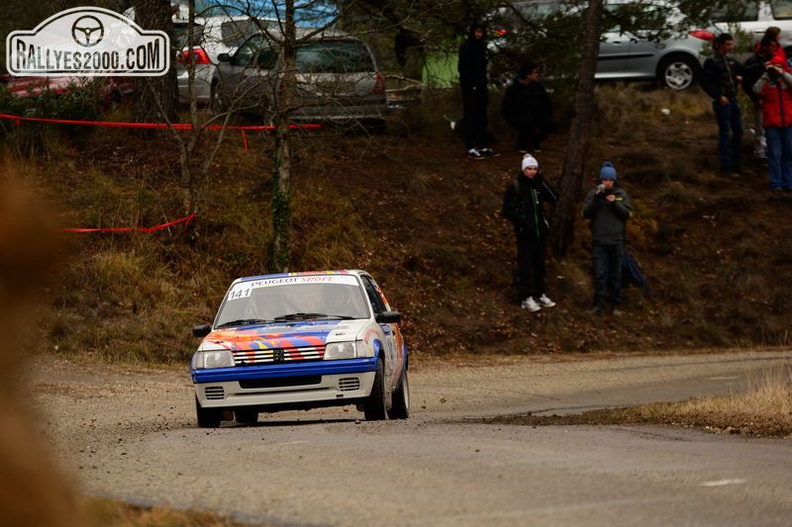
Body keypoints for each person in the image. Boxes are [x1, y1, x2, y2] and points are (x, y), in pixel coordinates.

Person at [501, 154, 558, 312]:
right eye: (529, 169)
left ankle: (540, 293)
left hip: (540, 232)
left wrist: (542, 182)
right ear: (523, 169)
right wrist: (523, 222)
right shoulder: (516, 186)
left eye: (534, 169)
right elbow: (507, 210)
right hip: (525, 233)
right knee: (526, 265)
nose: (532, 172)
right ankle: (526, 297)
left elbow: (554, 197)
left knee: (540, 265)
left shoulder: (538, 185)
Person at [581, 162, 633, 315]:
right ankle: (599, 304)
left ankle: (616, 303)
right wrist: (597, 200)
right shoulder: (593, 195)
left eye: (610, 180)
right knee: (600, 273)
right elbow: (584, 214)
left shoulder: (621, 195)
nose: (607, 183)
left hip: (617, 241)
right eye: (604, 180)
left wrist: (614, 204)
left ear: (614, 180)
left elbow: (628, 214)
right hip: (599, 241)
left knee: (616, 274)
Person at [701, 33, 744, 177]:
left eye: (731, 44)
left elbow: (741, 70)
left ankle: (736, 163)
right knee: (725, 133)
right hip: (723, 102)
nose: (730, 47)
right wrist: (718, 96)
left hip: (733, 99)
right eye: (727, 44)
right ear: (719, 44)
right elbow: (705, 82)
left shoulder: (731, 61)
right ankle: (726, 166)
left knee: (738, 131)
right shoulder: (712, 62)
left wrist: (738, 78)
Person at [458, 21, 498, 160]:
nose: (479, 35)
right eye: (477, 32)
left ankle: (483, 144)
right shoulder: (467, 47)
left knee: (482, 116)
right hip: (470, 87)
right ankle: (471, 146)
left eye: (481, 32)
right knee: (471, 116)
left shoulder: (482, 47)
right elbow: (463, 68)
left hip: (481, 86)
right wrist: (470, 84)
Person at [753, 55, 792, 191]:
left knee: (789, 154)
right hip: (772, 124)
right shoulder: (766, 81)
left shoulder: (787, 81)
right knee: (774, 155)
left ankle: (788, 182)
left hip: (788, 122)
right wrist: (766, 74)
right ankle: (776, 184)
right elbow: (756, 90)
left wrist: (783, 73)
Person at [742, 29, 782, 160]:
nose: (773, 49)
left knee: (775, 125)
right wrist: (755, 98)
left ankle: (773, 150)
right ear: (765, 46)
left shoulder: (775, 61)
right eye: (772, 47)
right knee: (760, 126)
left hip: (774, 98)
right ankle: (759, 152)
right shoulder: (753, 62)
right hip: (760, 98)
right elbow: (747, 83)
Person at [500, 61, 556, 154]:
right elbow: (508, 107)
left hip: (535, 114)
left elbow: (546, 102)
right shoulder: (514, 89)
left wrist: (546, 114)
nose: (537, 75)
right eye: (535, 73)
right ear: (528, 75)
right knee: (527, 123)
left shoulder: (537, 87)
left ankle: (534, 143)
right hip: (518, 115)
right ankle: (521, 144)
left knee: (549, 123)